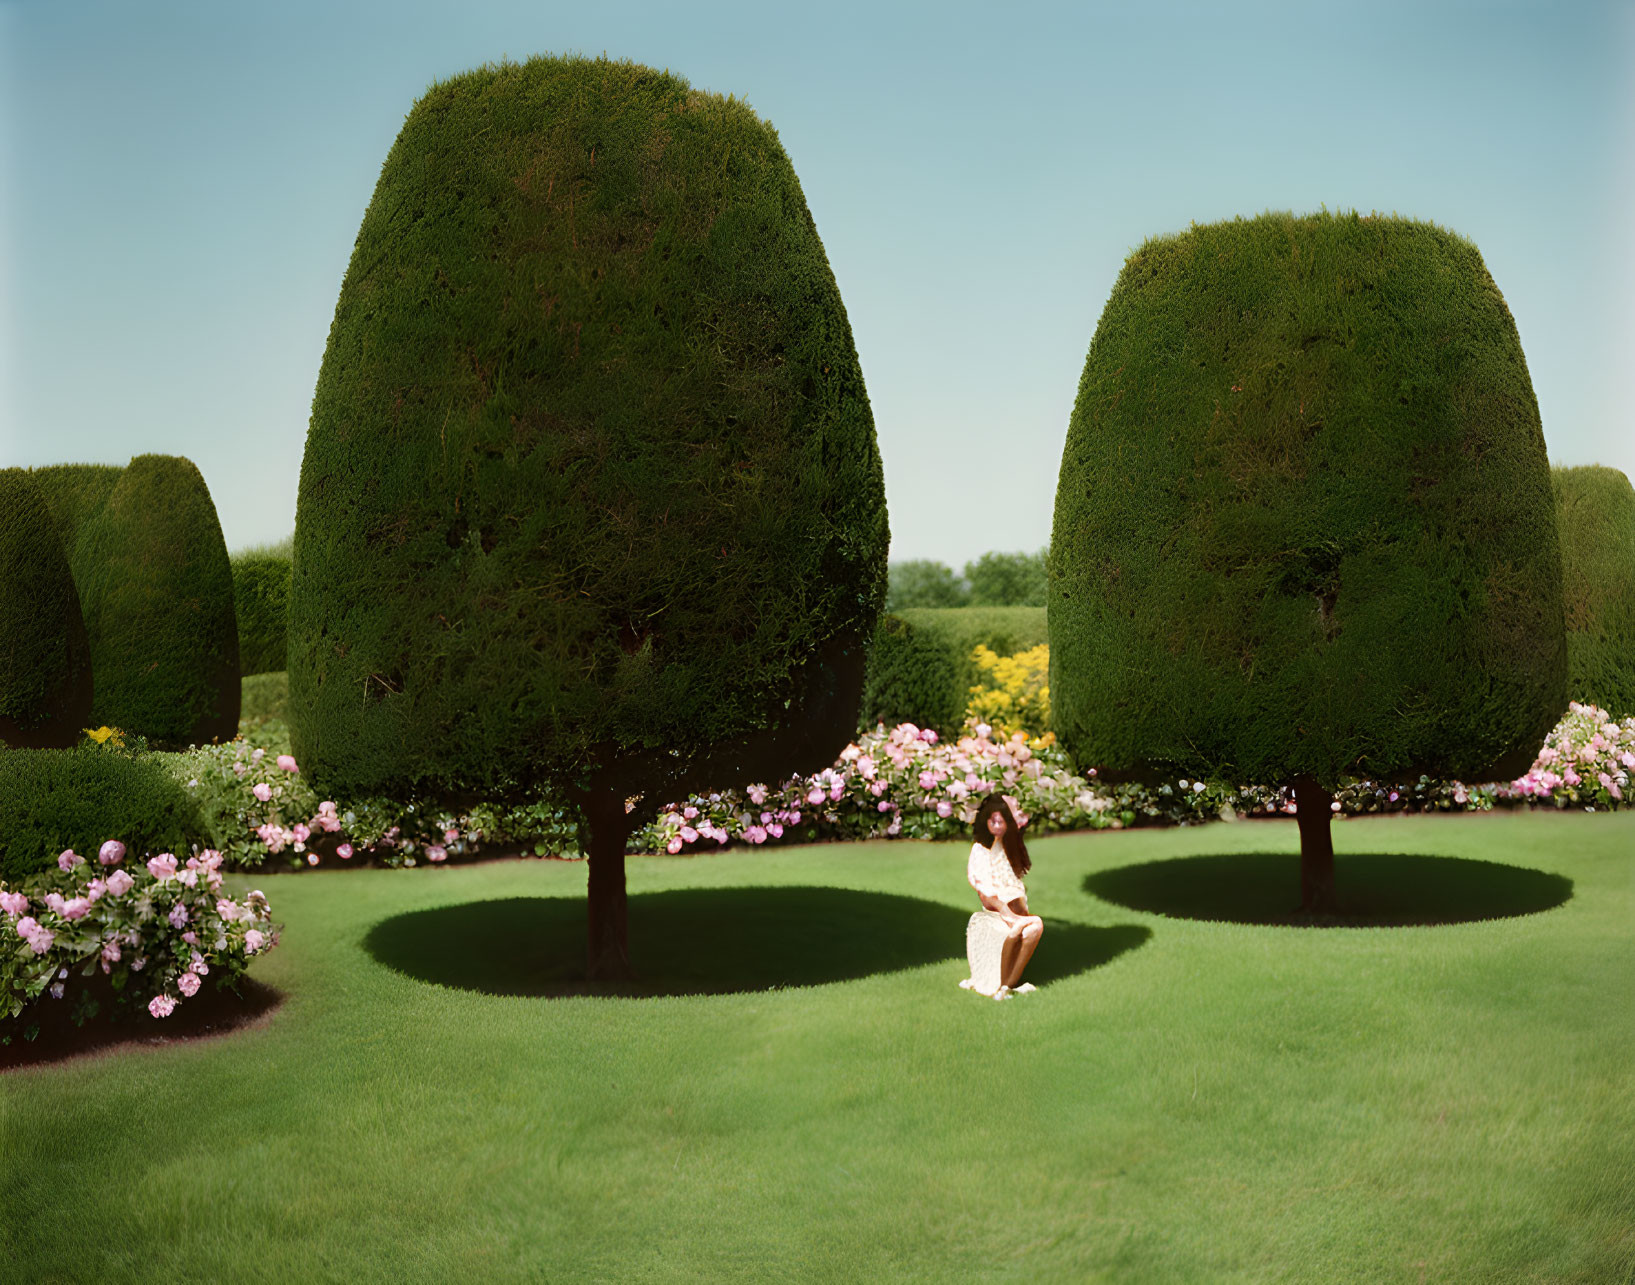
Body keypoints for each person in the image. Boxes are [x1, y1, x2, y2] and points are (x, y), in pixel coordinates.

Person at [964, 792, 1042, 999]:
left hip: (1013, 914)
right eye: (994, 821)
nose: (998, 826)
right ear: (986, 822)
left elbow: (1015, 887)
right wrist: (1006, 912)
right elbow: (985, 892)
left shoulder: (1009, 849)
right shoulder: (980, 851)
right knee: (1022, 928)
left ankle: (1008, 984)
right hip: (994, 916)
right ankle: (999, 984)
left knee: (1034, 927)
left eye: (1002, 821)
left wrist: (1019, 913)